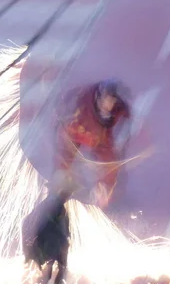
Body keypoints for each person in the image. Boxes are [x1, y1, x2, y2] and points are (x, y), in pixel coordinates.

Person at [55, 79, 131, 209]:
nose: (109, 106)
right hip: (73, 129)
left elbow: (108, 155)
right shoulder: (78, 108)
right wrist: (62, 171)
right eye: (107, 99)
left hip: (95, 135)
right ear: (99, 96)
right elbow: (64, 145)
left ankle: (110, 197)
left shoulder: (110, 122)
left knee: (112, 166)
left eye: (113, 102)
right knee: (64, 161)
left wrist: (105, 187)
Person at [22, 172, 75, 284]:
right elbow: (32, 221)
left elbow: (62, 224)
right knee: (52, 268)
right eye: (67, 193)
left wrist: (66, 237)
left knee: (59, 267)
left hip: (58, 243)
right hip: (52, 243)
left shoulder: (56, 205)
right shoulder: (51, 205)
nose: (68, 196)